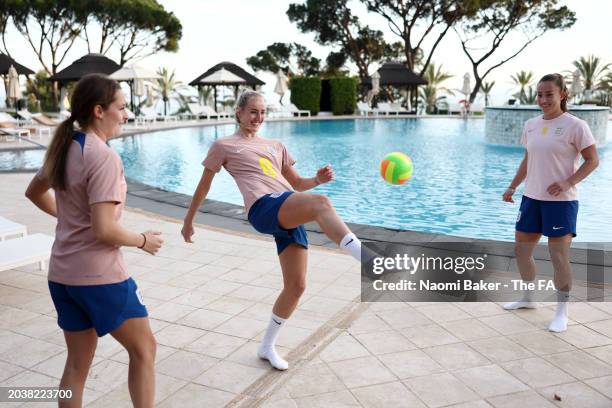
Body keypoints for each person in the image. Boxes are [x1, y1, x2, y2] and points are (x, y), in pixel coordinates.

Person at [181, 90, 369, 370]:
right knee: (322, 204)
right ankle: (371, 261)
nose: (258, 117)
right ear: (239, 112)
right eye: (253, 112)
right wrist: (188, 220)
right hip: (263, 207)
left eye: (263, 112)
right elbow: (204, 184)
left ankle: (267, 347)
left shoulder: (276, 145)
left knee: (296, 286)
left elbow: (297, 184)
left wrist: (317, 179)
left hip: (286, 205)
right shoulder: (224, 145)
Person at [25, 74, 163, 408]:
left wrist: (71, 219)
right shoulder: (103, 156)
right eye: (122, 107)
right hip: (100, 277)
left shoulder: (65, 147)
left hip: (62, 276)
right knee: (145, 350)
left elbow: (33, 192)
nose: (126, 114)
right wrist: (142, 239)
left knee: (77, 364)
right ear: (99, 111)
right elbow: (104, 230)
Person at [502, 73, 599, 332]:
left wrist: (569, 182)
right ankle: (528, 298)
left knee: (558, 257)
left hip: (561, 202)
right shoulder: (531, 124)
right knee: (521, 252)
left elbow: (592, 161)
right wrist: (513, 186)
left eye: (549, 94)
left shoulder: (575, 125)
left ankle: (561, 312)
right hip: (531, 198)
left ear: (562, 94)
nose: (543, 99)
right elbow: (528, 160)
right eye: (540, 94)